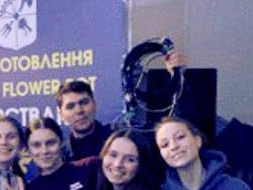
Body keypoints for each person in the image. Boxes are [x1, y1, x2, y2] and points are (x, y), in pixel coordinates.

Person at [57, 51, 185, 161]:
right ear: (61, 114)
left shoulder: (123, 134)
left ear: (94, 104)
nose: (79, 110)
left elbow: (170, 129)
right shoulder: (59, 154)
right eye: (70, 106)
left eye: (84, 102)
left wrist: (178, 77)